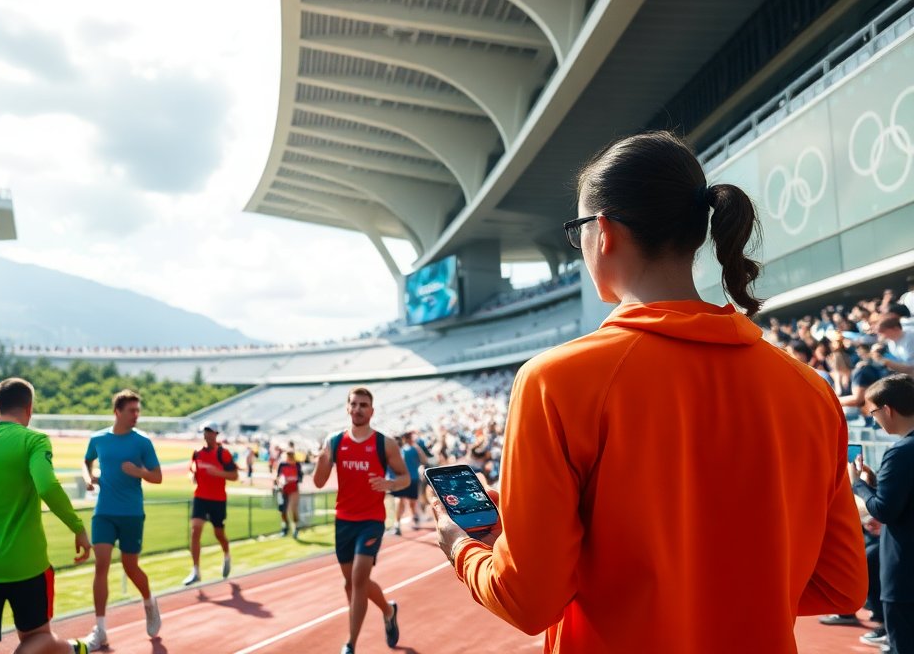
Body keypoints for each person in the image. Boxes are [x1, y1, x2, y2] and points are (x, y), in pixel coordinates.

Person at [425, 131, 867, 652]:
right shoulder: (810, 390)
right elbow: (840, 584)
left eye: (577, 231)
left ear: (603, 231)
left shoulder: (555, 380)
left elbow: (528, 599)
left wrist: (463, 549)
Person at [0, 377, 92, 654]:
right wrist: (78, 527)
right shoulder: (34, 440)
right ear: (29, 409)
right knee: (38, 637)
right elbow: (47, 486)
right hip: (26, 564)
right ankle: (75, 650)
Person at [313, 386, 411, 654]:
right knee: (353, 583)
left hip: (371, 520)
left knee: (358, 578)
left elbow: (405, 477)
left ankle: (351, 644)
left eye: (363, 405)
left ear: (372, 411)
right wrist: (322, 459)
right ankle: (388, 610)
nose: (357, 409)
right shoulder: (334, 442)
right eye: (354, 404)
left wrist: (389, 484)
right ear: (348, 408)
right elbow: (319, 482)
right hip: (344, 520)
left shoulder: (384, 444)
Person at [81, 390, 163, 650]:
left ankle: (149, 602)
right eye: (131, 410)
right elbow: (86, 461)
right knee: (101, 564)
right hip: (104, 511)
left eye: (138, 410)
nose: (136, 415)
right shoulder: (98, 439)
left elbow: (158, 477)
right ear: (117, 411)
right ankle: (100, 629)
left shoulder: (142, 442)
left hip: (131, 513)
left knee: (130, 566)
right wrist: (88, 478)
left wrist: (138, 471)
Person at [852, 374, 914, 653]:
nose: (874, 419)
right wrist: (877, 485)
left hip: (904, 568)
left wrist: (857, 484)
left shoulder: (900, 451)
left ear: (887, 410)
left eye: (873, 412)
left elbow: (884, 510)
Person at [183, 423, 238, 586]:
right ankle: (196, 570)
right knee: (195, 530)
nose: (207, 435)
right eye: (205, 432)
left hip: (218, 499)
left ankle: (226, 554)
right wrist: (192, 476)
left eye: (210, 432)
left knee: (219, 533)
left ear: (216, 434)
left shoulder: (223, 454)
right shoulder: (197, 453)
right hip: (201, 497)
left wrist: (218, 473)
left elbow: (234, 475)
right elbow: (192, 470)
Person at [391, 431, 429, 535]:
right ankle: (398, 524)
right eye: (409, 437)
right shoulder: (402, 450)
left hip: (412, 479)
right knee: (401, 501)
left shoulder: (413, 449)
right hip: (404, 479)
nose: (411, 439)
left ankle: (413, 519)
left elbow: (424, 460)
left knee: (411, 502)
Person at [274, 449, 303, 538]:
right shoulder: (282, 464)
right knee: (283, 510)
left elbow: (300, 477)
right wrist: (280, 483)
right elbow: (277, 477)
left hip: (293, 489)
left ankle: (296, 528)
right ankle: (285, 528)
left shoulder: (297, 465)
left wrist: (293, 479)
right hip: (283, 490)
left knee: (293, 509)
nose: (289, 457)